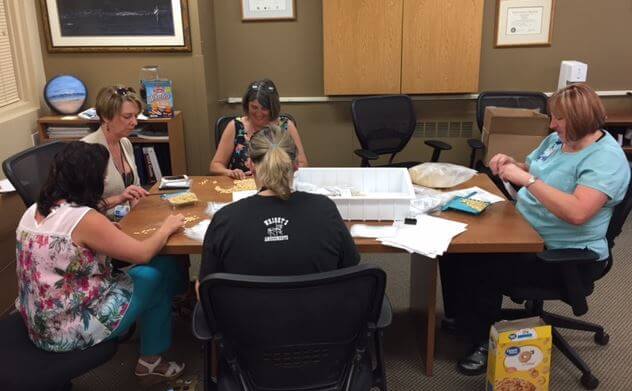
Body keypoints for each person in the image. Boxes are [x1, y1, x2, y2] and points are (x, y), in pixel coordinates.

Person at [440, 83, 630, 375]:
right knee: (453, 244)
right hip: (524, 230)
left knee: (480, 262)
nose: (553, 124)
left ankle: (482, 341)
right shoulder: (558, 140)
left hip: (564, 254)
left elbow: (578, 212)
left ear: (581, 120)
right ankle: (464, 319)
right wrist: (510, 165)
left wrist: (526, 181)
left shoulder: (605, 159)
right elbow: (531, 169)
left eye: (560, 118)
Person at [15, 142, 187, 383]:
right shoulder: (86, 220)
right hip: (68, 330)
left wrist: (112, 209)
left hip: (38, 323)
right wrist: (168, 226)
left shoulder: (34, 209)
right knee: (153, 275)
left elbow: (73, 236)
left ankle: (158, 319)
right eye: (103, 175)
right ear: (89, 179)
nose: (105, 180)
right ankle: (151, 362)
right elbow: (142, 253)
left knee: (152, 272)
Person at [198, 124, 358, 283]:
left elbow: (204, 288)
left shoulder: (225, 219)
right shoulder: (325, 209)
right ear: (296, 165)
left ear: (251, 165)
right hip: (318, 307)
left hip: (247, 308)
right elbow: (350, 268)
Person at [209, 79, 308, 179]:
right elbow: (215, 165)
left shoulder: (286, 126)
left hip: (278, 185)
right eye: (254, 107)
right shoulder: (234, 126)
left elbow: (302, 163)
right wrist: (230, 172)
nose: (259, 113)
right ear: (247, 105)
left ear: (272, 107)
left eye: (264, 108)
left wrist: (277, 173)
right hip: (242, 186)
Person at [82, 85, 149, 218]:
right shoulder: (86, 151)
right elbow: (81, 210)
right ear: (106, 117)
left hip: (127, 219)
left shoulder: (125, 143)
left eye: (136, 116)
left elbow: (135, 190)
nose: (134, 122)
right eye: (127, 116)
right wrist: (119, 198)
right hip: (101, 226)